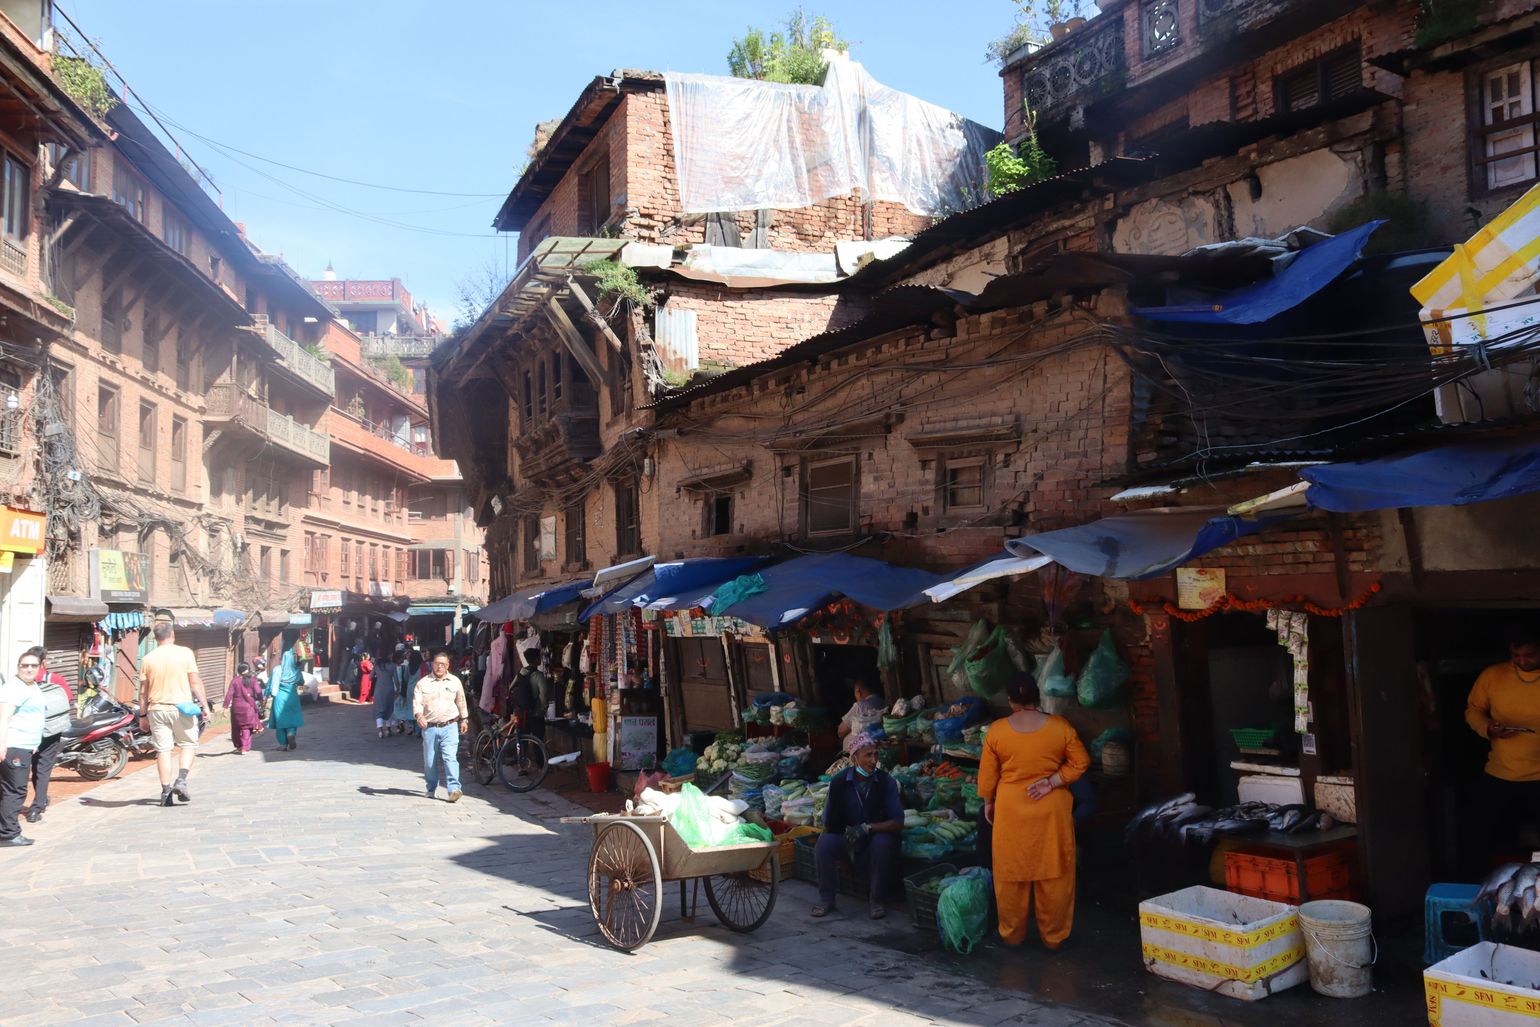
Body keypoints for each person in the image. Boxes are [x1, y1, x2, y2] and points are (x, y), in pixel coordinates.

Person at [979, 672, 1090, 950]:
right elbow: (1081, 762)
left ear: (1010, 700)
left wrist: (988, 802)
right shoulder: (1060, 727)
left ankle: (1012, 935)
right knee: (1054, 874)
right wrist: (1052, 781)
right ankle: (1054, 938)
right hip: (1051, 810)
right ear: (1037, 697)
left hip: (1011, 809)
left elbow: (988, 778)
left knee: (1010, 874)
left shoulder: (997, 731)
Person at [1465, 626, 1540, 869]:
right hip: (1500, 772)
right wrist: (1488, 727)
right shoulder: (1493, 675)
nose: (1522, 661)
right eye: (1516, 655)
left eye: (1529, 655)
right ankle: (1476, 892)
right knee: (1478, 835)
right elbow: (1473, 709)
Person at [811, 731, 903, 919]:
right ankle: (826, 899)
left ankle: (876, 899)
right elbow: (829, 820)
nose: (873, 760)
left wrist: (867, 828)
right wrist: (845, 832)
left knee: (883, 843)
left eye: (875, 754)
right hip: (848, 836)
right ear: (854, 759)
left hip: (874, 837)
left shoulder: (886, 782)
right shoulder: (838, 782)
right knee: (824, 843)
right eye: (868, 755)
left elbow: (897, 822)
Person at [137, 622, 210, 808]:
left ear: (156, 638)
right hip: (181, 708)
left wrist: (142, 715)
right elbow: (195, 682)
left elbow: (143, 692)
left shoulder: (148, 659)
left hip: (157, 709)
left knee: (163, 750)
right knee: (188, 744)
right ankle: (182, 780)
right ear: (173, 635)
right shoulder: (185, 653)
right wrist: (205, 706)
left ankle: (165, 791)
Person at [0, 651, 47, 845]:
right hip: (14, 746)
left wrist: (34, 744)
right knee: (15, 790)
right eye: (24, 665)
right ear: (18, 667)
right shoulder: (14, 688)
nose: (29, 669)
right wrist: (2, 744)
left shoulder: (32, 685)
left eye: (33, 666)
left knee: (7, 789)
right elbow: (4, 716)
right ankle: (9, 834)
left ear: (39, 667)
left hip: (24, 745)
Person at [25, 646, 73, 824]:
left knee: (24, 768)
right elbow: (68, 699)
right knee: (43, 768)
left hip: (26, 730)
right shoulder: (55, 678)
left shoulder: (22, 679)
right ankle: (37, 807)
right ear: (44, 661)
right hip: (50, 730)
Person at [414, 649, 468, 802]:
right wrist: (419, 716)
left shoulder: (455, 682)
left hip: (450, 726)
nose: (440, 667)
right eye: (437, 664)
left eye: (443, 664)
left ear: (448, 665)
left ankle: (454, 789)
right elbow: (417, 703)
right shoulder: (423, 683)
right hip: (430, 727)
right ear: (432, 664)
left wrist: (464, 719)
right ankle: (431, 788)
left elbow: (461, 701)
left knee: (450, 757)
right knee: (429, 761)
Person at [266, 640, 306, 751]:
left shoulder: (277, 670)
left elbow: (274, 686)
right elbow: (301, 682)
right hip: (292, 696)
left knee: (280, 721)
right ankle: (291, 732)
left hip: (279, 697)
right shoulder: (296, 670)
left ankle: (283, 744)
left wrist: (269, 695)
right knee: (292, 718)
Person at [223, 662, 265, 755]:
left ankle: (239, 745)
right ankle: (245, 748)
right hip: (249, 708)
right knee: (246, 728)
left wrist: (225, 707)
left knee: (237, 727)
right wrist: (262, 701)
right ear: (248, 670)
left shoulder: (235, 681)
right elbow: (258, 692)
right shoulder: (253, 680)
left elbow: (229, 694)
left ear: (239, 671)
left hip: (236, 708)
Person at [509, 648, 547, 736]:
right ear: (537, 659)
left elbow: (511, 688)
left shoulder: (521, 672)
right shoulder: (539, 676)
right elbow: (543, 696)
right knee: (538, 742)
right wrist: (543, 710)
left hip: (522, 714)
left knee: (523, 742)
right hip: (536, 714)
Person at [837, 675, 885, 741]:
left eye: (855, 694)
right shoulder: (883, 701)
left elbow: (841, 731)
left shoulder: (860, 705)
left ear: (858, 692)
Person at [372, 648, 398, 739]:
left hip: (378, 689)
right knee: (389, 708)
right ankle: (388, 728)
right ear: (388, 656)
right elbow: (396, 680)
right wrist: (398, 689)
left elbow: (370, 677)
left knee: (379, 709)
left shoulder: (377, 665)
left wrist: (378, 675)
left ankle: (380, 730)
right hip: (389, 689)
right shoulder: (392, 665)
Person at [391, 648, 413, 735]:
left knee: (398, 707)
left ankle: (401, 723)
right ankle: (401, 723)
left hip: (399, 690)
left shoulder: (397, 667)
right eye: (401, 658)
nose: (403, 659)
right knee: (400, 707)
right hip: (401, 689)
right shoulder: (405, 666)